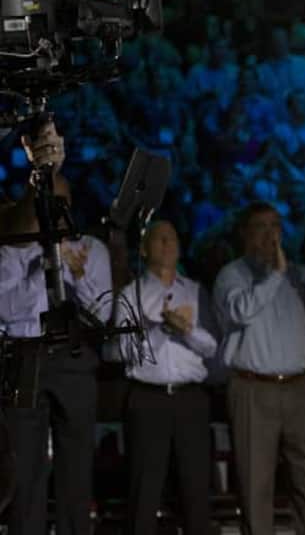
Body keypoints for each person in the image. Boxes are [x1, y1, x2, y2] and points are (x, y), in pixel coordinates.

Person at [0, 132, 112, 535]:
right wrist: (31, 258)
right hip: (24, 358)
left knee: (76, 466)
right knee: (25, 469)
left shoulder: (91, 250)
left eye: (60, 204)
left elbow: (104, 315)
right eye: (46, 205)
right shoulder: (11, 249)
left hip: (74, 360)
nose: (54, 213)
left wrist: (78, 275)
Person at [213, 201, 305, 535]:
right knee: (257, 483)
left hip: (300, 388)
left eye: (276, 226)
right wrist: (274, 275)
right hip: (254, 389)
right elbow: (240, 312)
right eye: (261, 226)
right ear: (245, 233)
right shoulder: (232, 275)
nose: (271, 235)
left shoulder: (296, 275)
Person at [113, 220, 217, 535]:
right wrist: (161, 330)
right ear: (144, 250)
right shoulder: (131, 295)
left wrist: (185, 329)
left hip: (190, 399)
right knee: (145, 489)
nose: (167, 243)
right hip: (148, 399)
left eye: (172, 237)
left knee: (196, 488)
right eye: (159, 238)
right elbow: (124, 352)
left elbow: (212, 346)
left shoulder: (196, 291)